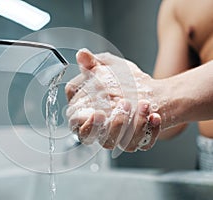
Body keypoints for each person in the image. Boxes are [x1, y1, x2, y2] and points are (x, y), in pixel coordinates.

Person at [65, 0, 213, 156]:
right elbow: (168, 123)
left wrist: (152, 94)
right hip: (206, 155)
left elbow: (163, 97)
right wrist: (124, 104)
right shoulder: (175, 5)